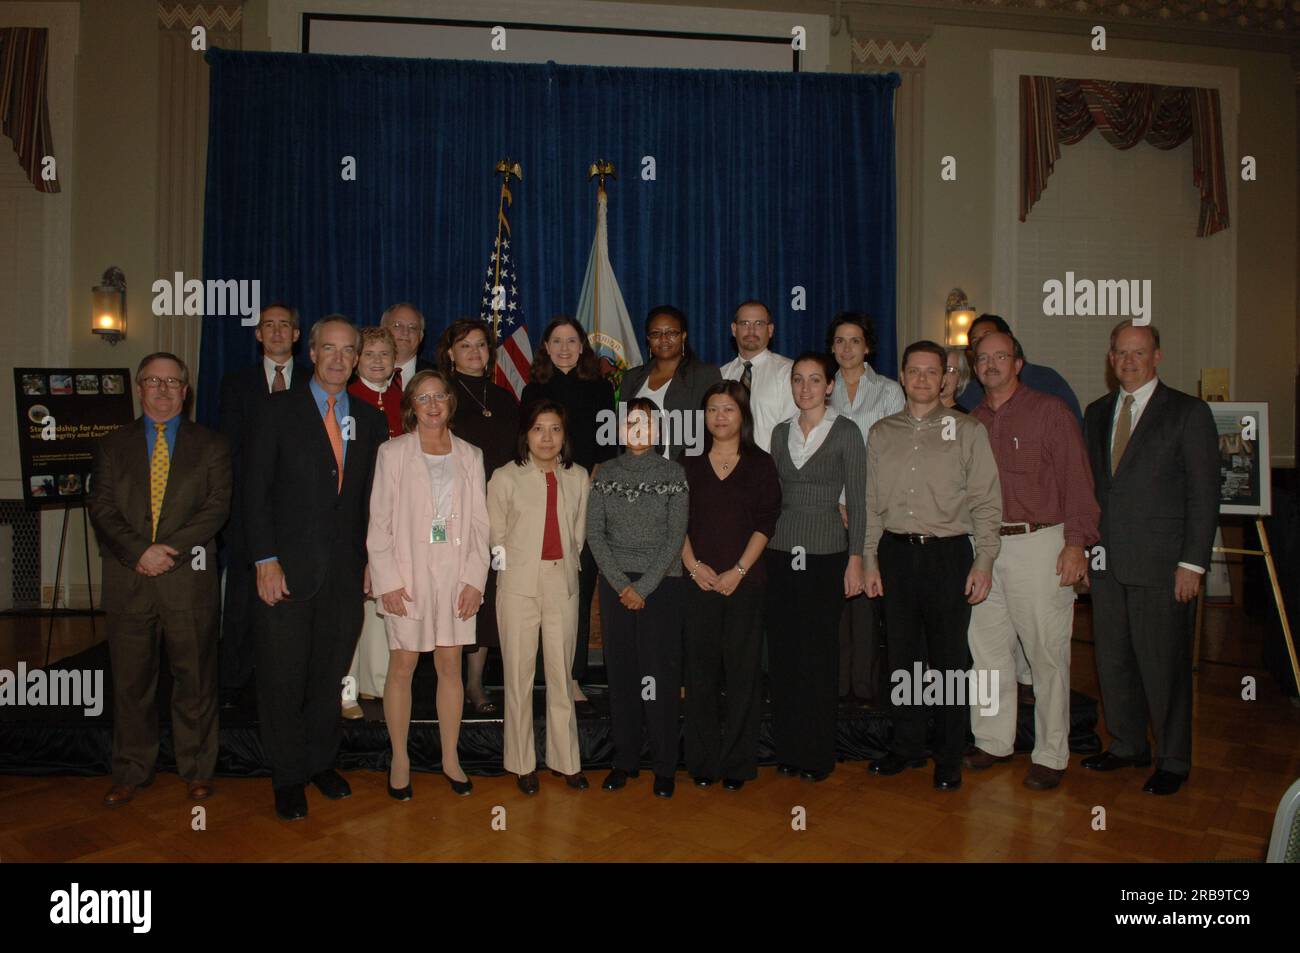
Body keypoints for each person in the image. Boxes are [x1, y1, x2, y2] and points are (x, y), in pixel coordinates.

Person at [243, 315, 388, 821]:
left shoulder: (371, 421)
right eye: (330, 348)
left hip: (346, 576)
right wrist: (264, 559)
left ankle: (321, 763)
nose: (339, 358)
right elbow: (254, 492)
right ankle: (287, 777)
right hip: (285, 572)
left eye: (349, 351)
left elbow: (374, 500)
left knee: (330, 676)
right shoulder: (275, 411)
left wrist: (375, 560)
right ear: (313, 352)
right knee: (284, 678)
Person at [1081, 320, 1218, 796]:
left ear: (1157, 356)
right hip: (1106, 563)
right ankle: (1126, 744)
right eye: (1120, 353)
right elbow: (1094, 491)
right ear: (1110, 357)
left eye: (1138, 353)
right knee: (1114, 660)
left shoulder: (1188, 413)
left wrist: (1193, 565)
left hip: (1164, 566)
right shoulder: (1096, 412)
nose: (1129, 361)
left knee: (1165, 665)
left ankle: (1173, 759)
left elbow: (1204, 497)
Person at [89, 353, 232, 807]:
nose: (164, 390)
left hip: (187, 579)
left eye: (173, 382)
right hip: (129, 577)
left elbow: (215, 509)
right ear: (139, 387)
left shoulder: (211, 445)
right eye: (154, 381)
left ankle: (196, 768)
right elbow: (103, 508)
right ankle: (132, 769)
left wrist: (165, 551)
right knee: (131, 682)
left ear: (186, 390)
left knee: (195, 679)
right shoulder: (112, 445)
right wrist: (140, 552)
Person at [865, 340, 1002, 792]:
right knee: (902, 658)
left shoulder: (968, 432)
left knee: (947, 662)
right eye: (914, 371)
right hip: (896, 554)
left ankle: (948, 754)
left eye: (932, 371)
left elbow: (986, 501)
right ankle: (906, 746)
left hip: (948, 555)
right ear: (901, 377)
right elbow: (868, 504)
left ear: (945, 378)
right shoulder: (881, 433)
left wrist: (984, 560)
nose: (922, 379)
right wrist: (868, 559)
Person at [966, 330, 1100, 790]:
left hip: (1041, 543)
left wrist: (1076, 544)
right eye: (982, 359)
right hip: (984, 547)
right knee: (986, 651)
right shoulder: (972, 421)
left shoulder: (1050, 413)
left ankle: (1050, 753)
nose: (991, 365)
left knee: (1046, 653)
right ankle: (992, 740)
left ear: (1018, 363)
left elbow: (1078, 483)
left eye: (1000, 357)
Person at [367, 370, 490, 800]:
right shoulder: (392, 452)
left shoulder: (471, 455)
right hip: (409, 576)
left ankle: (450, 757)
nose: (433, 405)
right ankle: (400, 758)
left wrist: (475, 580)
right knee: (402, 667)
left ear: (450, 403)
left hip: (456, 576)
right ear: (412, 407)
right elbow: (379, 522)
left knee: (449, 667)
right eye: (423, 398)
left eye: (440, 396)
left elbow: (480, 524)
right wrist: (388, 582)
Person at [766, 352, 866, 782]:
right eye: (798, 380)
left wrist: (857, 559)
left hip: (827, 555)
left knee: (819, 656)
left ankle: (817, 753)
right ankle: (788, 749)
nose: (805, 388)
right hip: (780, 552)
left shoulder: (847, 432)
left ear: (829, 386)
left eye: (814, 380)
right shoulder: (776, 433)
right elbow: (771, 497)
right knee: (786, 654)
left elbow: (860, 502)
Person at [587, 398, 689, 798]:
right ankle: (624, 760)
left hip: (662, 584)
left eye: (646, 423)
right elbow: (595, 534)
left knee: (661, 676)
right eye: (631, 422)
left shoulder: (674, 473)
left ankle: (664, 765)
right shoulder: (605, 473)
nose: (638, 429)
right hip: (615, 586)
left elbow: (674, 536)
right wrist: (621, 585)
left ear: (659, 431)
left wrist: (642, 587)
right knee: (623, 675)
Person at [681, 381, 780, 790]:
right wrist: (694, 567)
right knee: (700, 675)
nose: (720, 417)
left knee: (743, 675)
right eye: (713, 410)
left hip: (746, 583)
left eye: (729, 409)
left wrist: (737, 571)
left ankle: (739, 763)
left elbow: (766, 522)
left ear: (743, 415)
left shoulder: (760, 464)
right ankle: (702, 761)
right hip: (698, 583)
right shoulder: (687, 464)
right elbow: (676, 524)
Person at [488, 400, 590, 794]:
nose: (547, 438)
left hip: (562, 585)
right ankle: (521, 763)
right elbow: (495, 534)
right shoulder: (505, 477)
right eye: (538, 429)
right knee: (518, 677)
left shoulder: (579, 477)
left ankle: (567, 762)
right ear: (525, 435)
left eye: (555, 430)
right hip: (517, 587)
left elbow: (578, 535)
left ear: (565, 436)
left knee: (562, 677)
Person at [519, 317, 616, 710]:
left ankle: (572, 675)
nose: (563, 348)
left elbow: (606, 451)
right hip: (538, 500)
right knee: (538, 595)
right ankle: (537, 676)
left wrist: (581, 493)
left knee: (576, 591)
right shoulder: (532, 391)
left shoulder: (600, 390)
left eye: (571, 341)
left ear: (582, 348)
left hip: (585, 499)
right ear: (544, 345)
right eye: (556, 341)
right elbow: (524, 448)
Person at [216, 303, 307, 710]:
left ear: (296, 334)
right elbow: (229, 450)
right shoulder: (235, 384)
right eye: (267, 325)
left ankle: (288, 682)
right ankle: (234, 683)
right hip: (247, 510)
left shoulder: (312, 382)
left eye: (283, 325)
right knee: (241, 599)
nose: (275, 332)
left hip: (300, 513)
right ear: (257, 334)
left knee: (294, 602)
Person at [437, 317, 519, 716]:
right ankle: (446, 679)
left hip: (498, 513)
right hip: (450, 511)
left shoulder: (504, 399)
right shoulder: (440, 395)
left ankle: (475, 680)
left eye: (481, 345)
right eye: (465, 345)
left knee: (486, 596)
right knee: (453, 591)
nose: (474, 352)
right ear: (450, 353)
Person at [827, 312, 903, 708]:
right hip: (831, 511)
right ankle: (838, 686)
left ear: (868, 346)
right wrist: (838, 501)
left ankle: (867, 687)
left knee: (870, 601)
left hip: (874, 510)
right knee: (839, 601)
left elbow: (894, 454)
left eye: (854, 340)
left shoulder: (889, 391)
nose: (846, 348)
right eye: (839, 341)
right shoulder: (823, 391)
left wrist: (865, 505)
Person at [341, 326, 404, 717]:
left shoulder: (407, 400)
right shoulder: (345, 400)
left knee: (384, 602)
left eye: (385, 354)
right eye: (369, 354)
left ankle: (377, 683)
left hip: (395, 516)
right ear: (355, 360)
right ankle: (346, 690)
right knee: (350, 607)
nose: (378, 361)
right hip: (355, 515)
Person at [620, 305, 720, 459]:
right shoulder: (631, 378)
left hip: (687, 472)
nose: (663, 339)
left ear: (683, 336)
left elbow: (716, 430)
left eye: (671, 333)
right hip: (635, 473)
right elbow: (621, 431)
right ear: (648, 339)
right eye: (655, 334)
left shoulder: (704, 375)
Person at [958, 314, 1083, 425]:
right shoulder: (971, 393)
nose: (983, 342)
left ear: (1008, 338)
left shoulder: (1046, 381)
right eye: (976, 341)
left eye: (988, 335)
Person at [719, 300, 797, 452]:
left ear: (770, 329)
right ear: (734, 329)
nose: (751, 330)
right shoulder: (721, 374)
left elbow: (793, 431)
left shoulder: (789, 372)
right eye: (745, 323)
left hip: (772, 469)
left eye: (759, 323)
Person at [380, 301, 435, 390]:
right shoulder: (360, 374)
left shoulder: (438, 375)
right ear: (382, 331)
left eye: (413, 327)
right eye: (397, 325)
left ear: (421, 336)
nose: (405, 332)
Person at [939, 345, 970, 413]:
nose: (943, 375)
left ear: (960, 379)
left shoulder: (966, 418)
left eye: (950, 369)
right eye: (939, 368)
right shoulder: (915, 413)